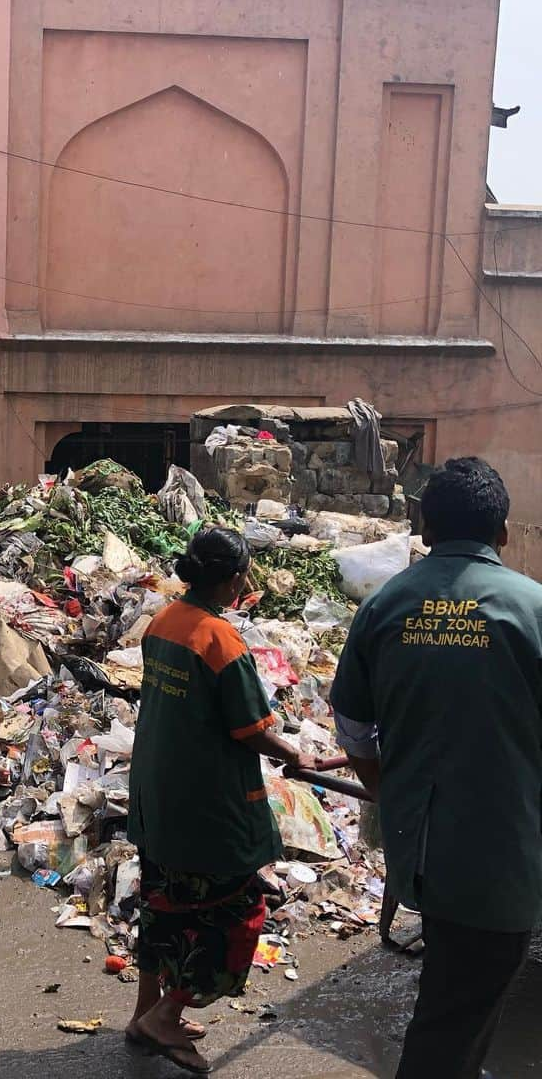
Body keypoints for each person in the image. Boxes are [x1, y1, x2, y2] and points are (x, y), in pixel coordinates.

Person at [331, 457, 542, 1079]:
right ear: (502, 532)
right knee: (455, 1012)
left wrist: (386, 792)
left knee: (457, 991)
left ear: (423, 531)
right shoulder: (532, 608)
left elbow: (352, 727)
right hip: (502, 856)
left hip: (417, 849)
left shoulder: (384, 605)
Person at [127, 526, 319, 1073]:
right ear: (235, 579)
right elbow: (252, 729)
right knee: (235, 913)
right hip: (204, 805)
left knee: (161, 905)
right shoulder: (220, 641)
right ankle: (166, 1016)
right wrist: (295, 754)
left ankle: (144, 1014)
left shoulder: (163, 621)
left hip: (156, 794)